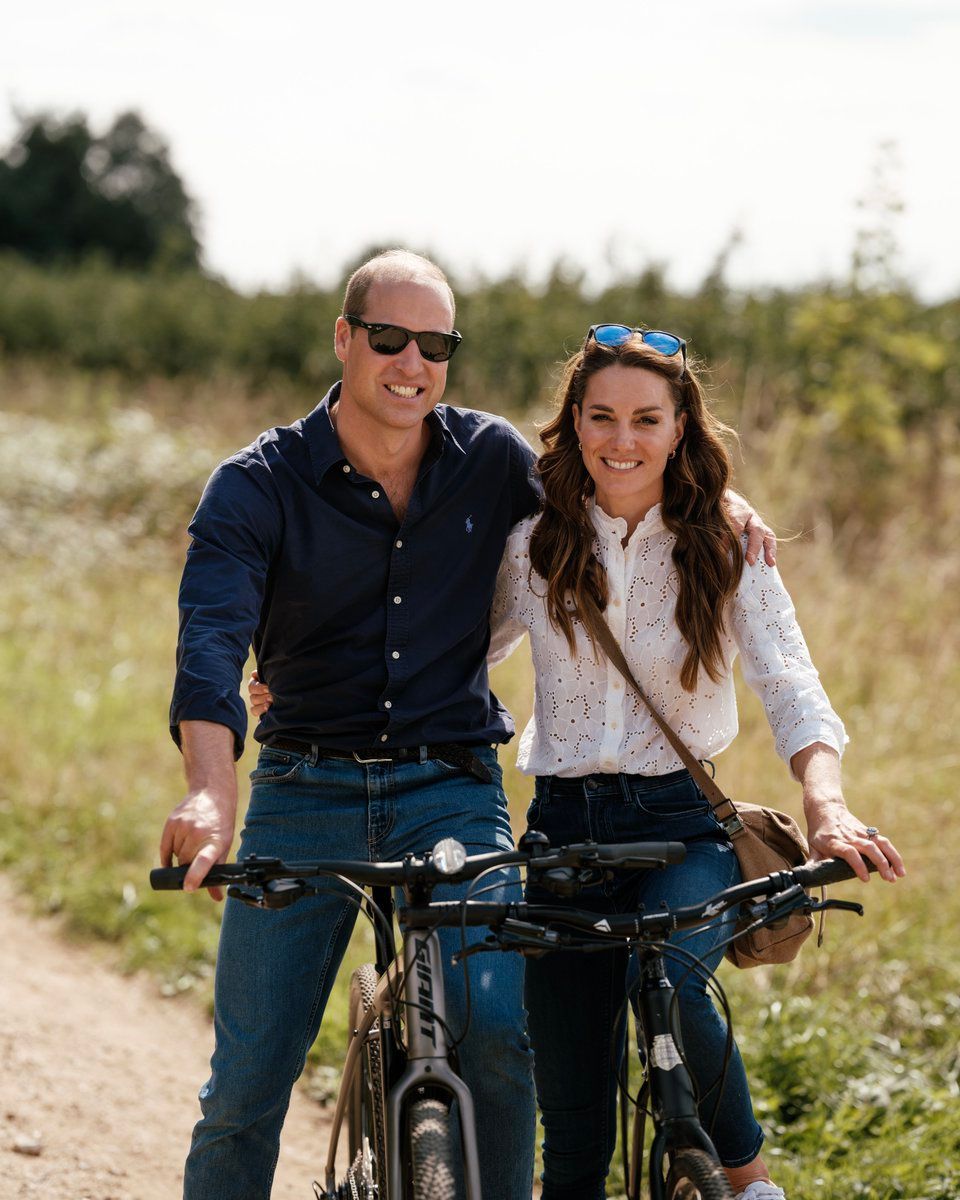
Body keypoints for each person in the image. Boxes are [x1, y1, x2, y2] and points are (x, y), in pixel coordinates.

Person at [169, 246, 772, 1200]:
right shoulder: (256, 486)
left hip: (450, 787)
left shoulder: (488, 462)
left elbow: (618, 478)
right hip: (301, 788)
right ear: (344, 337)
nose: (412, 362)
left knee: (498, 1031)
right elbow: (210, 640)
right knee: (247, 1084)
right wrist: (210, 791)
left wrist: (716, 496)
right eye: (389, 338)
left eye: (435, 343)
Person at [484, 325, 906, 1200]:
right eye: (601, 417)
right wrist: (303, 685)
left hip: (683, 827)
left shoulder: (725, 542)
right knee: (572, 1136)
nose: (622, 440)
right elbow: (456, 655)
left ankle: (750, 1185)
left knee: (675, 981)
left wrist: (825, 803)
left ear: (681, 427)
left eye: (646, 418)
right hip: (561, 833)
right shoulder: (534, 544)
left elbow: (789, 681)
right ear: (575, 421)